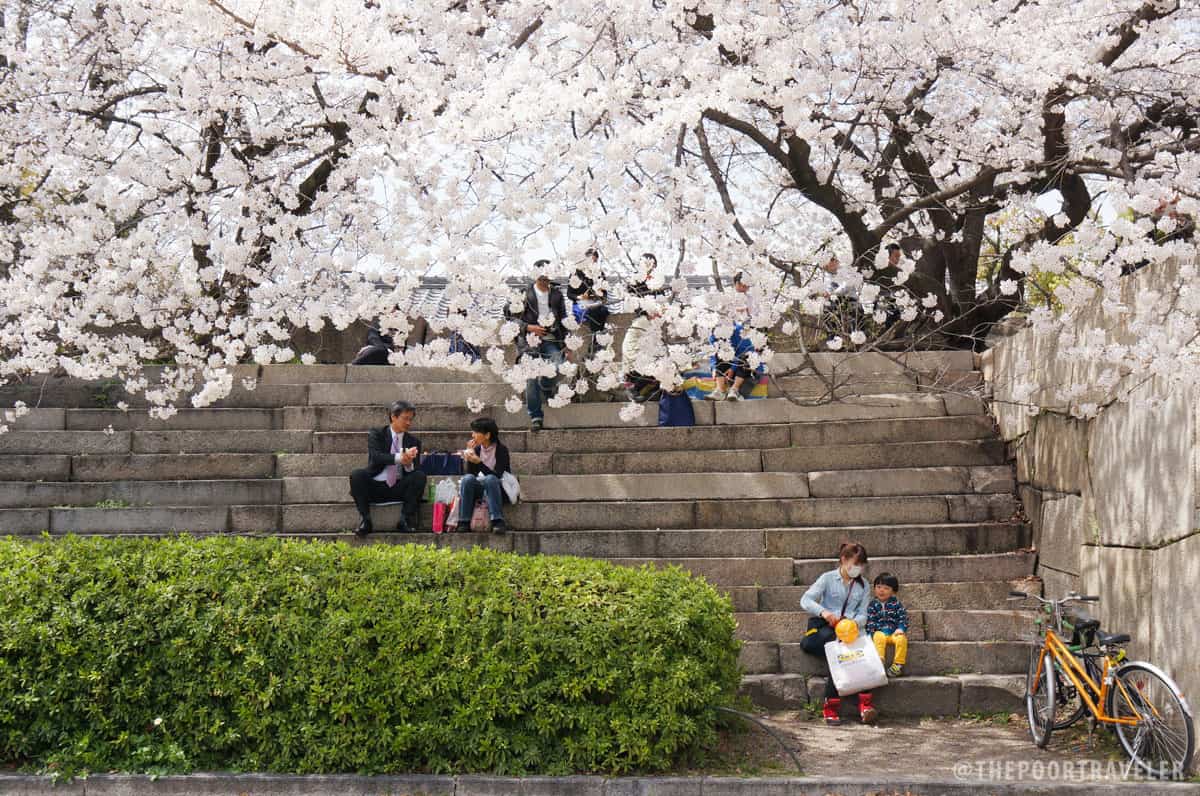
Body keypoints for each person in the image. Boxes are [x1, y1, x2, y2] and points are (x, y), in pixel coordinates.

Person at [800, 541, 875, 725]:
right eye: (855, 564)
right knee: (839, 651)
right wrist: (824, 612)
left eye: (861, 565)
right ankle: (864, 704)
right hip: (827, 629)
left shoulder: (864, 585)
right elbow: (806, 599)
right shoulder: (827, 578)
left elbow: (864, 614)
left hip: (851, 631)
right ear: (843, 560)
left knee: (846, 651)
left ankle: (832, 707)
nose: (858, 569)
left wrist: (852, 623)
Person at [348, 400, 426, 536]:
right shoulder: (377, 434)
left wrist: (408, 464)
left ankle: (405, 520)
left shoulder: (414, 442)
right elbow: (376, 456)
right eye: (405, 418)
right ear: (393, 417)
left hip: (399, 487)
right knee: (357, 475)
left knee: (419, 476)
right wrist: (399, 458)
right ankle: (365, 520)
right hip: (376, 485)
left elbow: (415, 470)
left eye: (411, 419)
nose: (408, 423)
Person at [510, 264, 568, 431]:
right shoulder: (523, 294)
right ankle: (535, 416)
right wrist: (529, 327)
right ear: (535, 275)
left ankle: (547, 384)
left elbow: (563, 319)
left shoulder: (556, 295)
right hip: (529, 341)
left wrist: (568, 346)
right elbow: (510, 319)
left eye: (547, 275)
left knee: (560, 367)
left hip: (551, 339)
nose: (544, 278)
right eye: (541, 275)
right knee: (530, 378)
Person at [450, 417, 512, 534]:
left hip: (497, 488)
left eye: (476, 432)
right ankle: (464, 521)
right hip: (480, 489)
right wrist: (470, 457)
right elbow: (471, 476)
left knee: (490, 479)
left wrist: (479, 462)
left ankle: (497, 521)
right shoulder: (477, 449)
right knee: (467, 479)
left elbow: (498, 476)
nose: (472, 435)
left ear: (487, 435)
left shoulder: (501, 450)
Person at [866, 572, 909, 677]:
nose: (881, 590)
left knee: (902, 639)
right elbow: (871, 620)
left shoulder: (896, 604)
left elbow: (903, 618)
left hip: (894, 632)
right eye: (878, 587)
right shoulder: (872, 605)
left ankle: (898, 664)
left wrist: (901, 629)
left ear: (893, 591)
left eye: (886, 588)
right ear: (874, 589)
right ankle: (880, 660)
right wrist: (870, 634)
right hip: (880, 632)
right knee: (877, 637)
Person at [707, 322, 761, 402]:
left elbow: (745, 352)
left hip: (743, 365)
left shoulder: (739, 330)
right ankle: (720, 390)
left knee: (748, 357)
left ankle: (734, 389)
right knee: (721, 352)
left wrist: (733, 368)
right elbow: (712, 354)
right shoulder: (713, 333)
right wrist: (714, 368)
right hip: (726, 365)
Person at [568, 248, 611, 345]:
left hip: (595, 303)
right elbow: (569, 294)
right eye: (591, 261)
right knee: (593, 311)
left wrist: (598, 294)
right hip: (580, 304)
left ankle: (597, 339)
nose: (593, 264)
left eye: (595, 261)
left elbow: (605, 295)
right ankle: (595, 340)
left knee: (604, 311)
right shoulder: (575, 273)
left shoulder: (600, 273)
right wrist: (580, 297)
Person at [620, 308, 664, 402]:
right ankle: (633, 388)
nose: (660, 316)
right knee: (657, 368)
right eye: (657, 312)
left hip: (640, 352)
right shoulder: (643, 322)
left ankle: (639, 387)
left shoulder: (646, 322)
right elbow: (654, 342)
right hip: (634, 352)